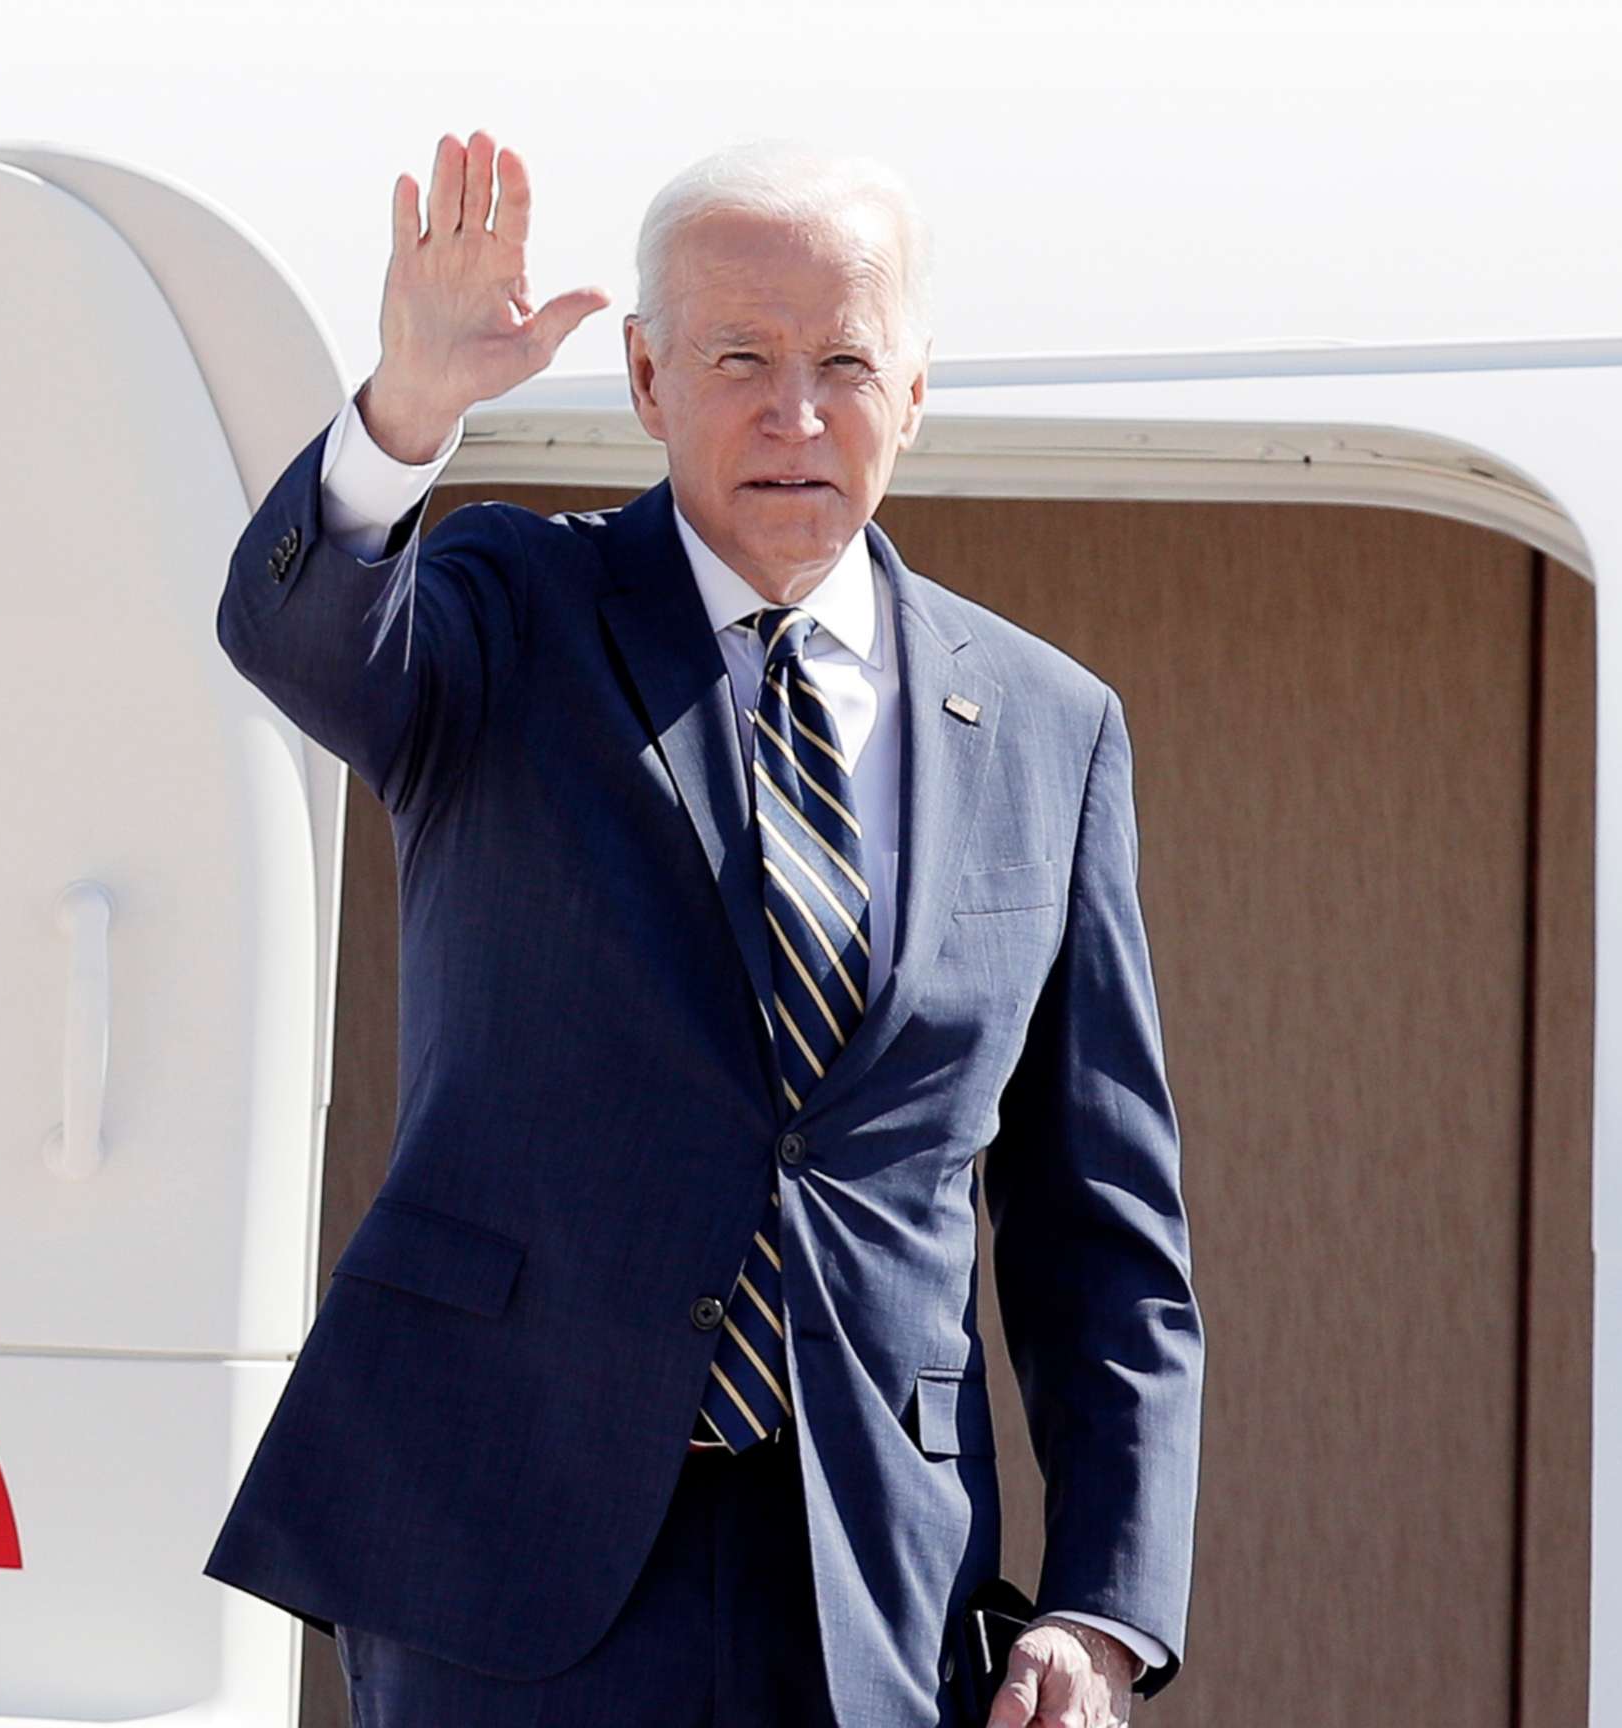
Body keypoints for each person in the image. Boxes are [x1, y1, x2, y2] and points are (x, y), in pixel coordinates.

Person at [206, 130, 1203, 1728]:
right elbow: (299, 630)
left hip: (873, 1575)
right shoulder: (512, 607)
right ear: (650, 377)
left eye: (844, 363)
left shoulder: (1047, 726)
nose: (797, 414)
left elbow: (1106, 1236)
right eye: (742, 356)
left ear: (918, 390)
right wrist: (405, 417)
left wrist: (1100, 1608)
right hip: (509, 1541)